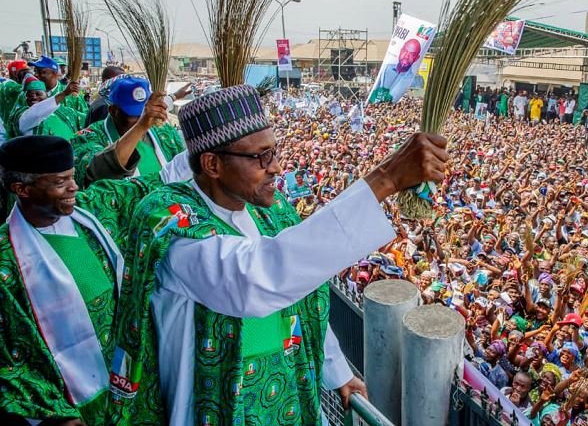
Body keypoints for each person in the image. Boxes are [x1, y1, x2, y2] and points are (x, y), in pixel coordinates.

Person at [108, 85, 448, 425]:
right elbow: (258, 279)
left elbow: (300, 292)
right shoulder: (171, 220)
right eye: (260, 157)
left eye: (274, 152)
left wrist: (337, 371)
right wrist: (385, 178)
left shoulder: (268, 211)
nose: (275, 167)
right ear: (212, 164)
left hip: (286, 395)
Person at [0, 130, 188, 424]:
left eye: (72, 177)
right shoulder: (6, 260)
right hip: (75, 404)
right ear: (22, 189)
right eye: (61, 182)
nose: (74, 187)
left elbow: (158, 181)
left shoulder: (95, 209)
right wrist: (53, 415)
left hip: (135, 378)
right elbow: (11, 355)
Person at [71, 75, 186, 187]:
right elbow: (94, 173)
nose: (144, 118)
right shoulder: (88, 137)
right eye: (135, 115)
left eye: (145, 112)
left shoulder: (164, 132)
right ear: (113, 110)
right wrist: (140, 127)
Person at [8, 76, 84, 140]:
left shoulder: (64, 112)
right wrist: (64, 93)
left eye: (38, 94)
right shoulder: (22, 115)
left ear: (47, 96)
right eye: (30, 95)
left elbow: (86, 119)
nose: (34, 97)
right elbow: (36, 113)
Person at [368, 39, 423, 103]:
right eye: (405, 51)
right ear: (401, 50)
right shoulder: (386, 68)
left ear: (416, 58)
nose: (407, 56)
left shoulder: (413, 80)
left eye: (412, 54)